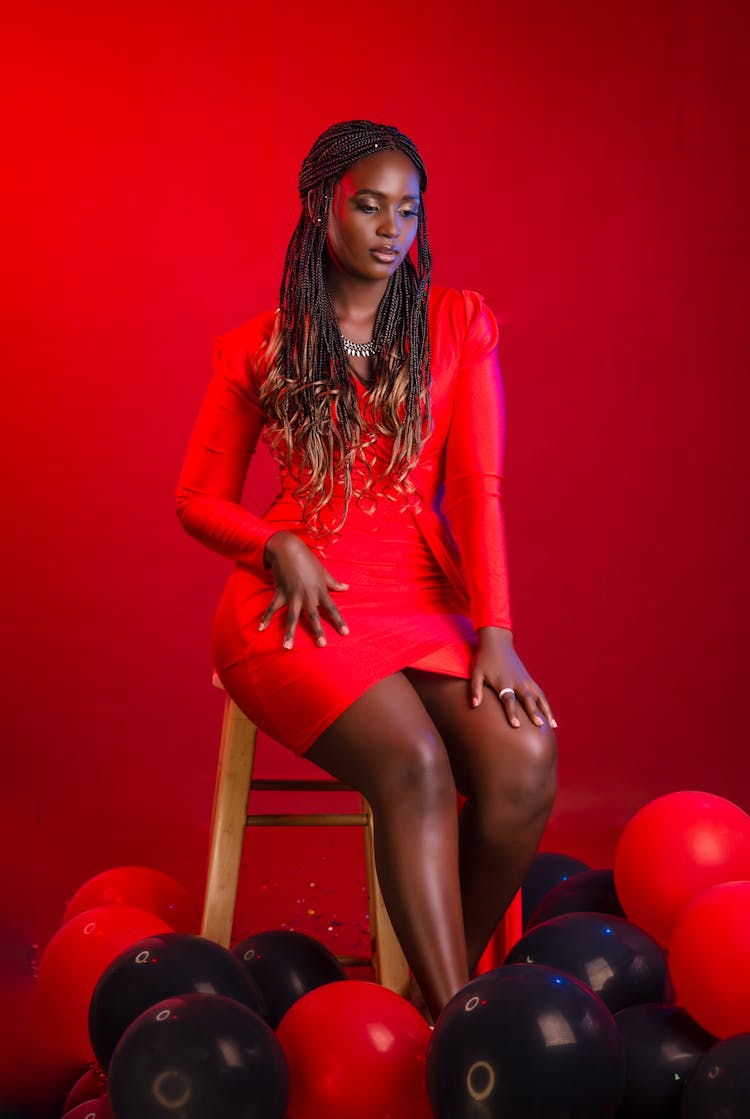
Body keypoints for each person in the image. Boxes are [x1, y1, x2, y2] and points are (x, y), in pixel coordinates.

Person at [176, 119, 557, 1021]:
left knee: (526, 759)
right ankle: (466, 1024)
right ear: (322, 208)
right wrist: (276, 545)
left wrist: (497, 633)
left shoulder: (456, 327)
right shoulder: (258, 347)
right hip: (298, 612)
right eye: (370, 206)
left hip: (422, 600)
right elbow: (196, 498)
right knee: (416, 766)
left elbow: (477, 492)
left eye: (409, 212)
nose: (393, 230)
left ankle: (425, 1003)